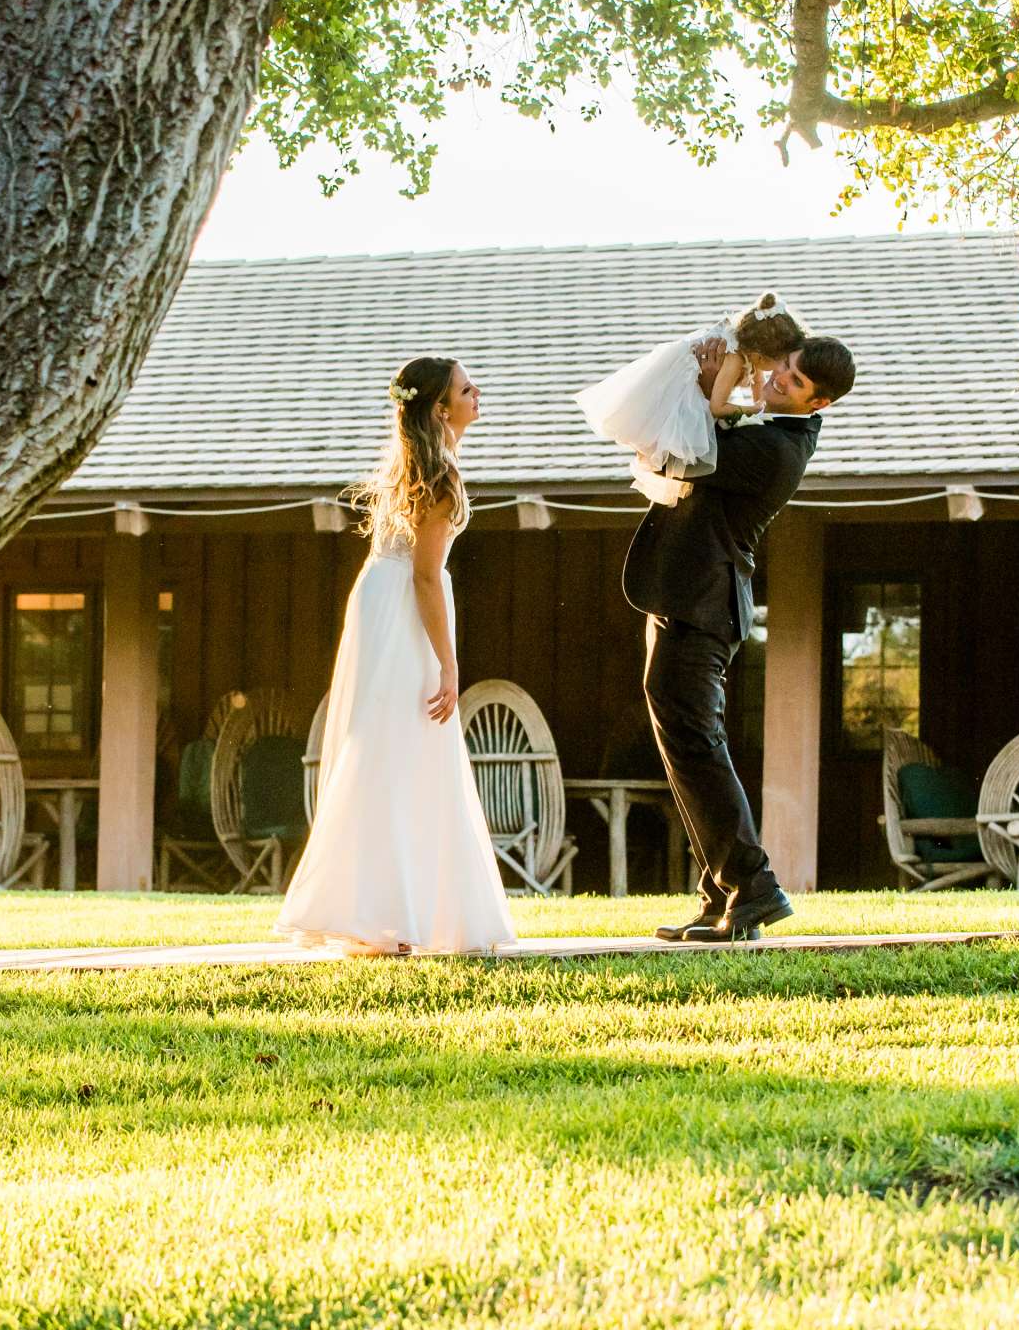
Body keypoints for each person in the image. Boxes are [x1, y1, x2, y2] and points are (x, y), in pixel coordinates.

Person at [274, 356, 517, 957]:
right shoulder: (440, 478)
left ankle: (384, 912)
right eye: (466, 388)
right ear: (440, 408)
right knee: (404, 743)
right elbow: (427, 578)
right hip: (405, 609)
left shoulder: (415, 468)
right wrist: (449, 664)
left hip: (381, 603)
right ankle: (381, 914)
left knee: (389, 746)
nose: (476, 392)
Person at [624, 334, 856, 943]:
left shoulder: (777, 447)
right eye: (785, 364)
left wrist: (714, 387)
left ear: (818, 403)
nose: (779, 376)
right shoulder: (766, 427)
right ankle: (721, 892)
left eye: (795, 380)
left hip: (704, 605)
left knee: (698, 744)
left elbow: (688, 448)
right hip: (686, 599)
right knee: (686, 745)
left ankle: (754, 888)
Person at [573, 293, 809, 506]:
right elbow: (717, 406)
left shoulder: (752, 349)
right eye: (780, 362)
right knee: (683, 447)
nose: (777, 370)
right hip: (683, 387)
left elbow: (758, 382)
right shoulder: (734, 358)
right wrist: (750, 409)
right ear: (759, 355)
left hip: (706, 387)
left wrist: (762, 411)